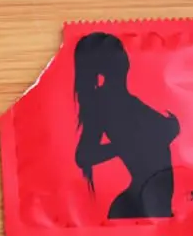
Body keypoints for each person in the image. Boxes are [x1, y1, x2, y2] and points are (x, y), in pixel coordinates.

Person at [74, 32, 180, 219]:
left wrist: (168, 129)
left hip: (157, 203)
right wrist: (127, 144)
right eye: (118, 53)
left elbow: (158, 135)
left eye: (122, 51)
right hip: (142, 202)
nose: (124, 57)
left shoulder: (128, 100)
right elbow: (84, 155)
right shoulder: (104, 102)